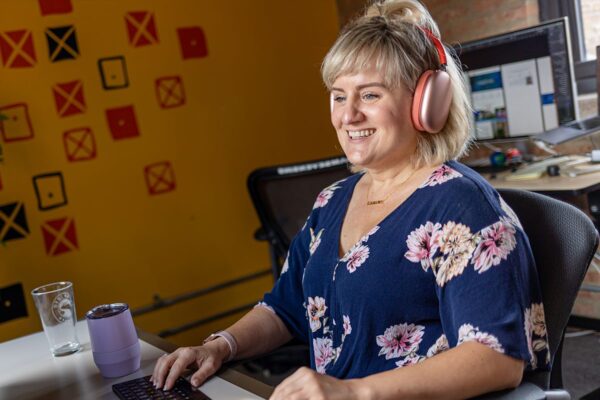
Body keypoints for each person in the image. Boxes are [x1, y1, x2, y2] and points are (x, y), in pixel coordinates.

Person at [152, 1, 550, 398]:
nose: (348, 115)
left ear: (427, 104)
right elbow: (285, 306)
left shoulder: (462, 208)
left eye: (370, 95)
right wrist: (219, 346)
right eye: (339, 96)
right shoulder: (332, 201)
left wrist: (354, 392)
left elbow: (496, 358)